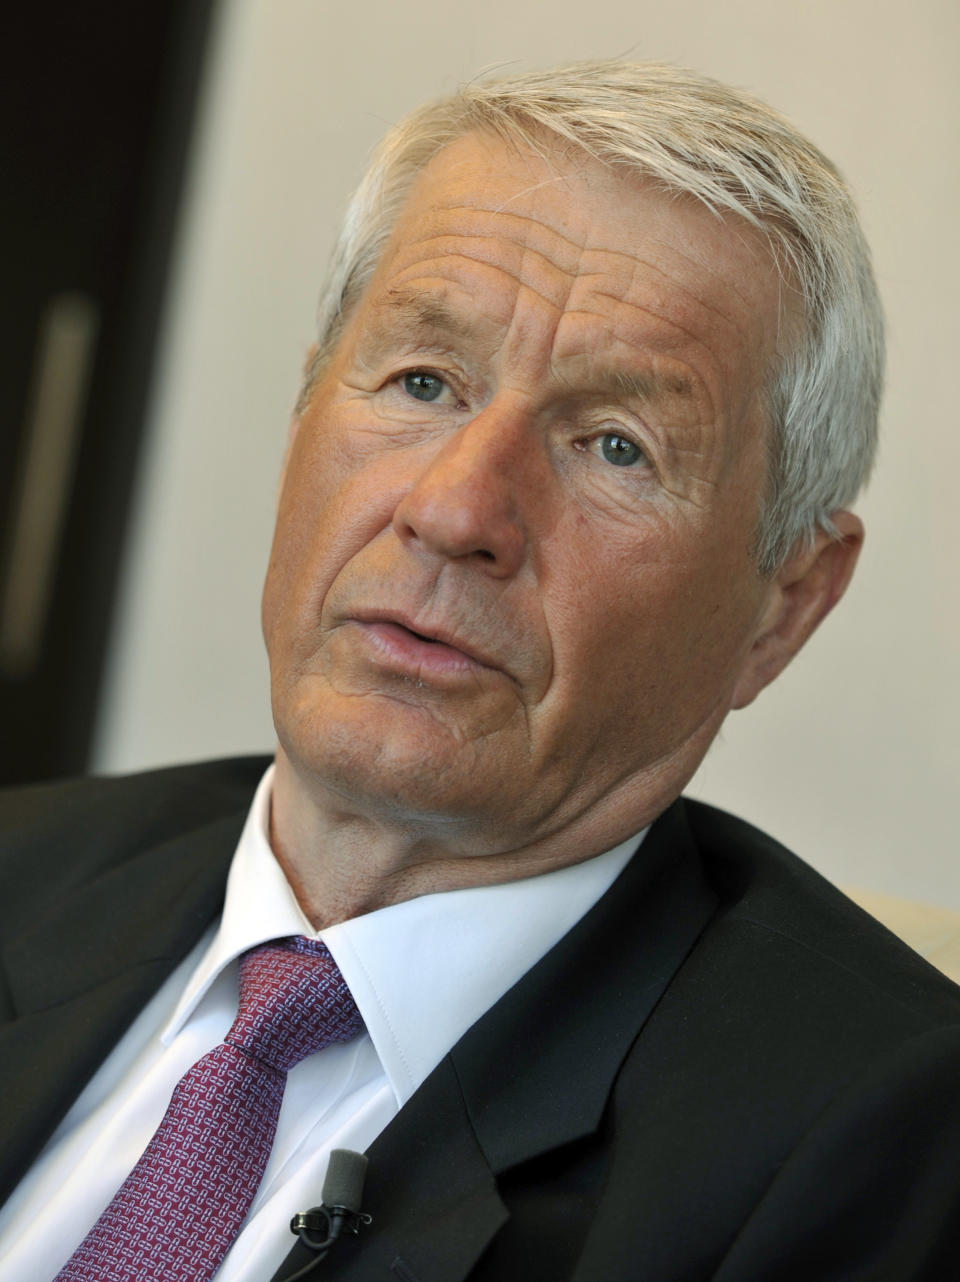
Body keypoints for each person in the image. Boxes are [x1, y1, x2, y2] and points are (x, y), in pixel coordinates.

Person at [1, 60, 958, 1282]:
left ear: (783, 606)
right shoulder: (20, 871)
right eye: (422, 382)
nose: (456, 512)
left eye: (617, 446)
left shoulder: (881, 1152)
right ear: (304, 415)